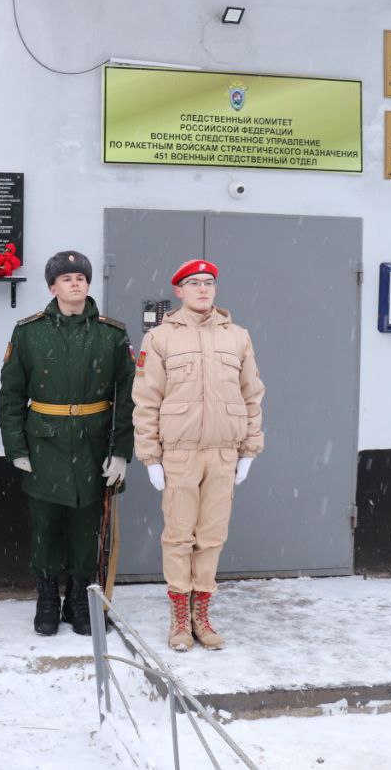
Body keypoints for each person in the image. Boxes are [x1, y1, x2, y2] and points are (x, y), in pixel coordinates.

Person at [0, 250, 135, 636]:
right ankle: (46, 598)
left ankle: (78, 598)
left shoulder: (112, 334)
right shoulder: (29, 332)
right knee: (45, 525)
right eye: (66, 278)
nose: (75, 284)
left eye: (81, 278)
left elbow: (127, 398)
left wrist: (120, 452)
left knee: (85, 528)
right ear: (52, 287)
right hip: (45, 444)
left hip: (93, 446)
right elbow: (11, 394)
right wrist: (16, 447)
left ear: (88, 285)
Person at [132, 259, 265, 652]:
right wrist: (151, 456)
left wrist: (249, 449)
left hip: (223, 453)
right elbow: (146, 400)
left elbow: (252, 395)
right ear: (179, 291)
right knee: (178, 536)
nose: (203, 289)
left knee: (211, 536)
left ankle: (201, 615)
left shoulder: (238, 337)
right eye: (194, 283)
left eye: (209, 282)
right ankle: (179, 617)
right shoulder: (160, 338)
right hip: (180, 453)